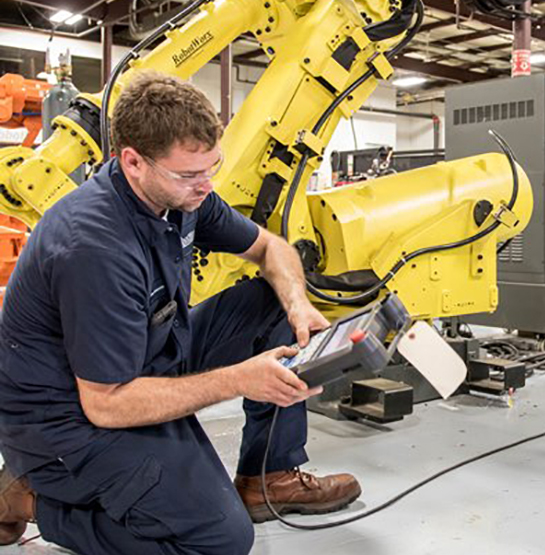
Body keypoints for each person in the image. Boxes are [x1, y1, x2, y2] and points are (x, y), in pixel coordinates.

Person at [0, 71, 361, 555]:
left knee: (271, 299)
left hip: (145, 358)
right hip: (66, 417)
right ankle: (39, 503)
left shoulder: (181, 198)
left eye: (212, 168)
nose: (205, 186)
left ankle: (267, 476)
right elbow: (106, 404)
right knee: (220, 540)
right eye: (190, 175)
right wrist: (239, 379)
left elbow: (270, 248)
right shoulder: (94, 248)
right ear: (131, 162)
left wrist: (299, 308)